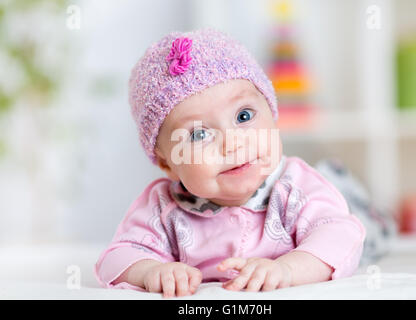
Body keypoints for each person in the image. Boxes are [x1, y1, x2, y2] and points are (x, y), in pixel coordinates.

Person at [94, 28, 368, 298]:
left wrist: (286, 269)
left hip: (344, 203)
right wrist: (150, 271)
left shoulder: (295, 188)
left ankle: (351, 189)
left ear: (272, 116)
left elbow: (341, 235)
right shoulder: (164, 208)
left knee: (361, 218)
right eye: (199, 134)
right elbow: (115, 258)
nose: (232, 143)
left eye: (244, 116)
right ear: (168, 165)